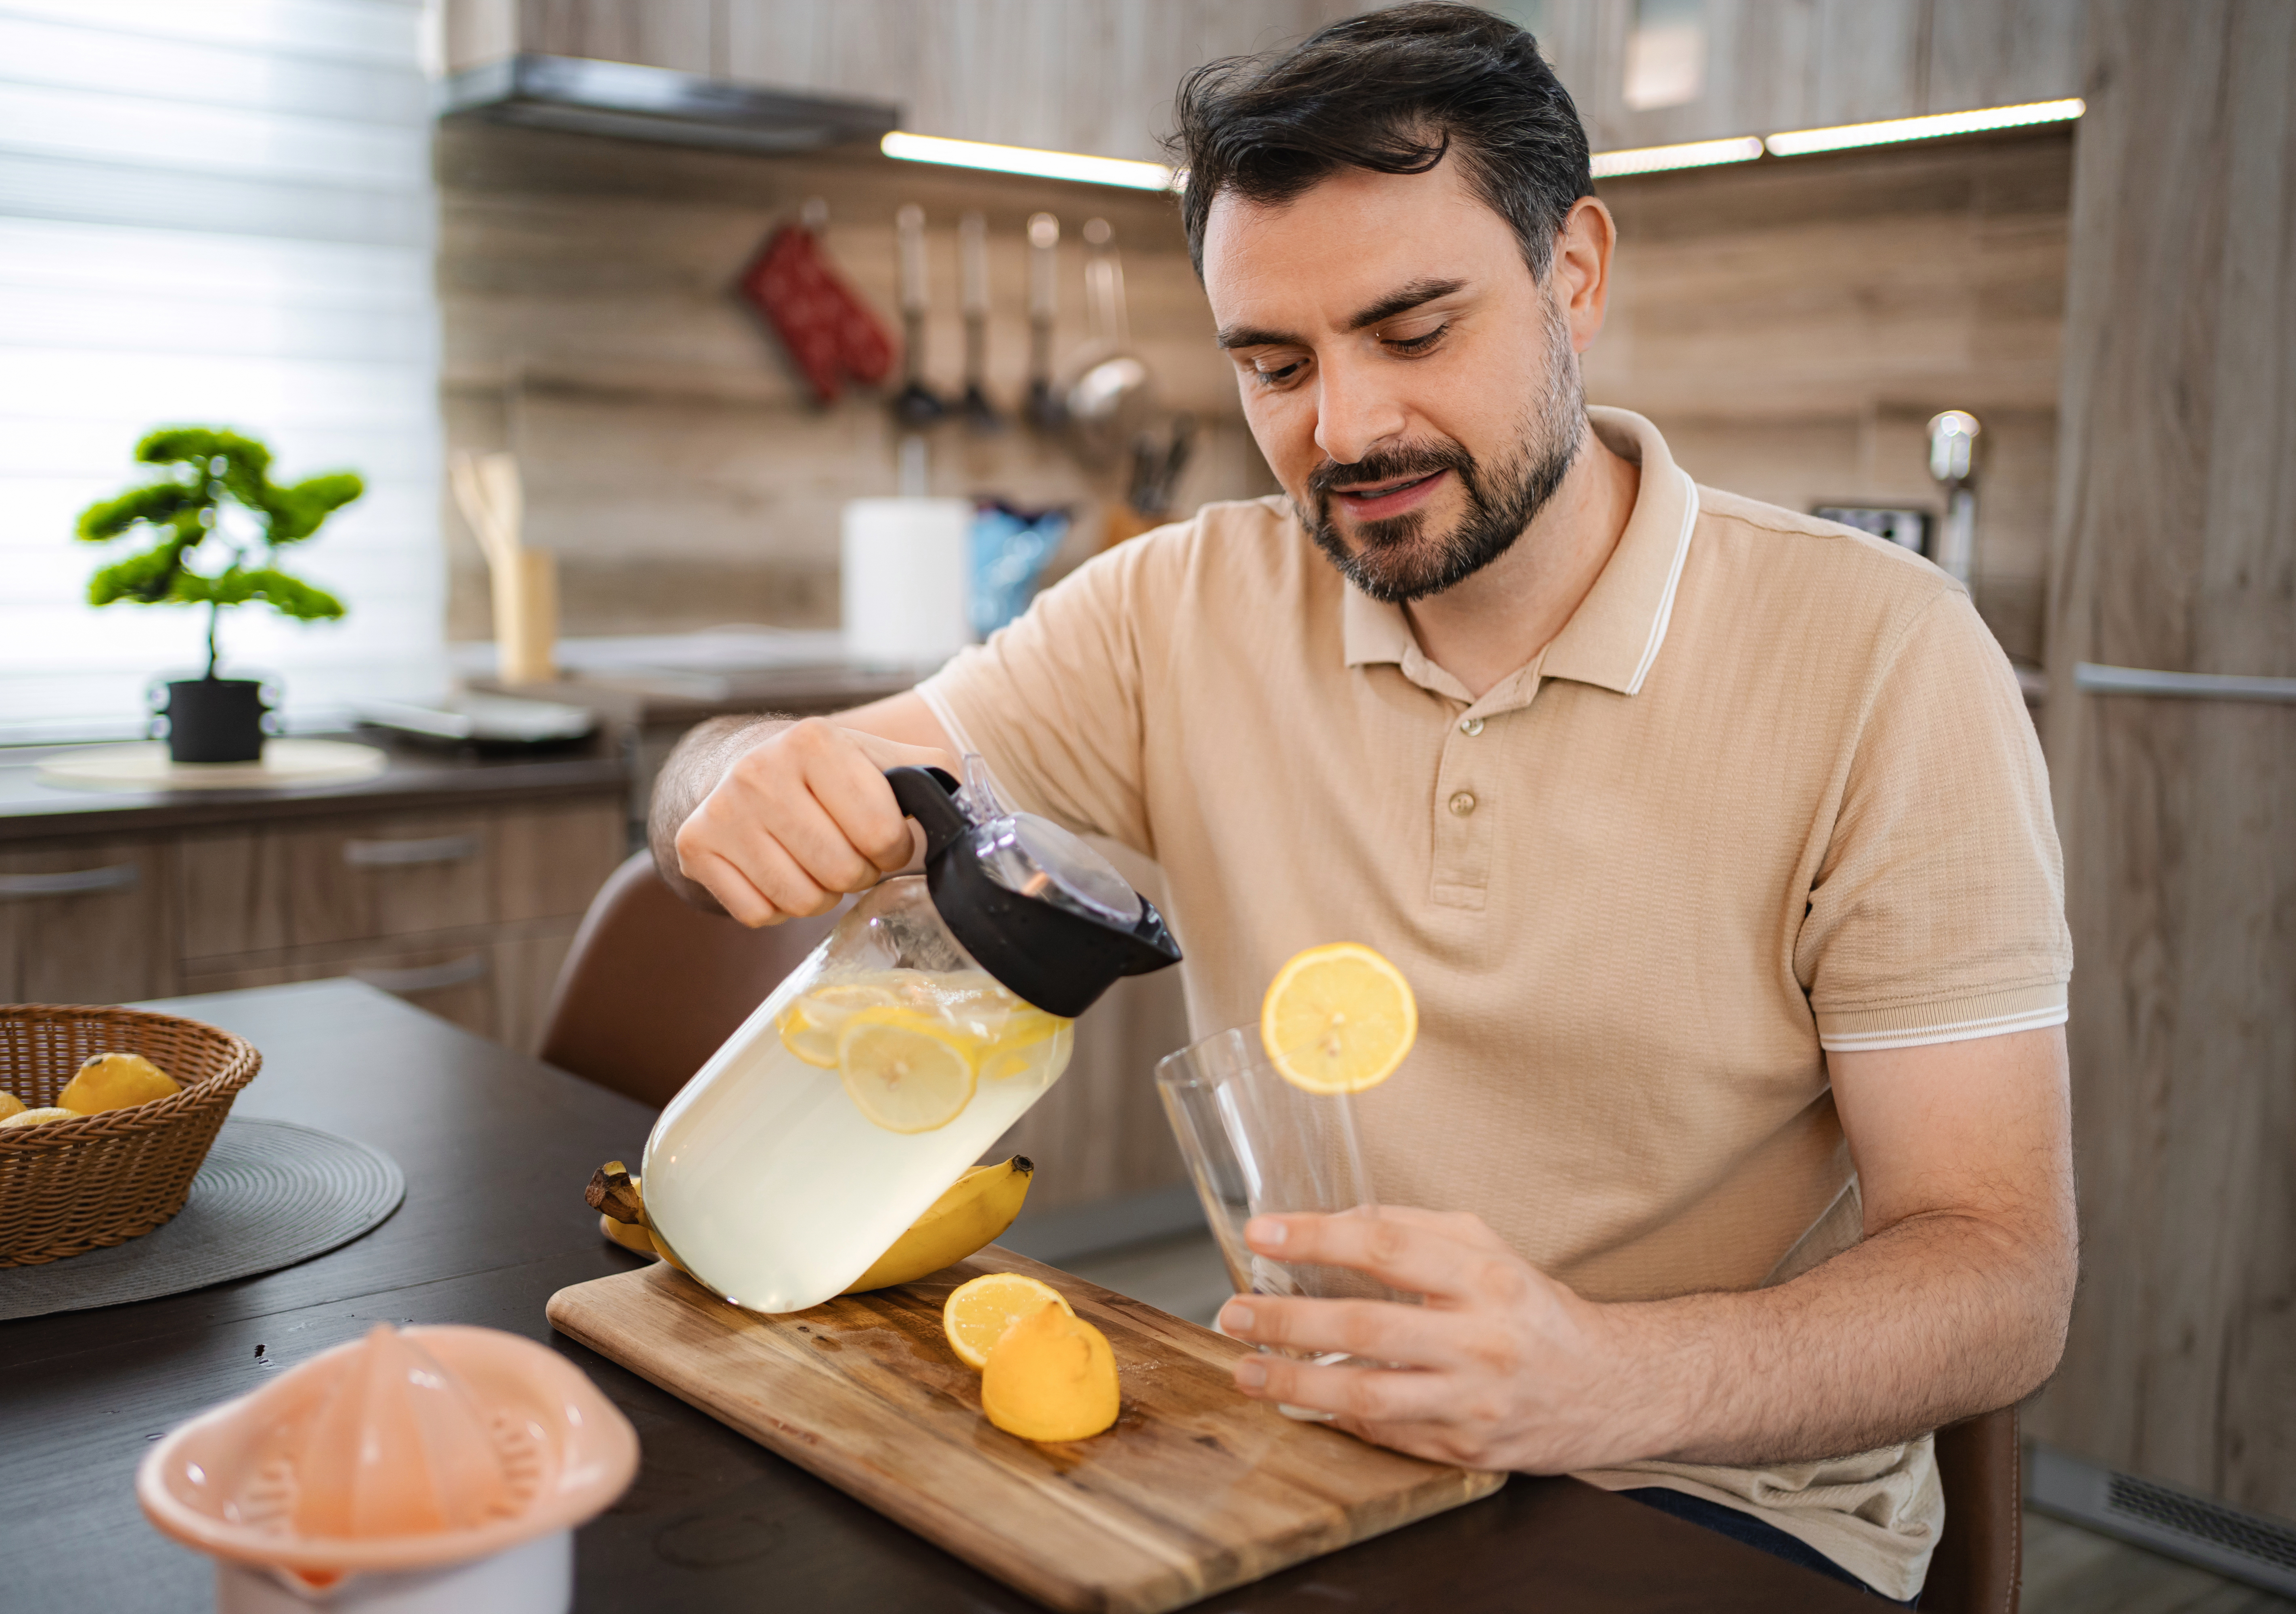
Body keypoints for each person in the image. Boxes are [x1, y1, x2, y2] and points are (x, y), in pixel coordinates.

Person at [647, 5, 2074, 1603]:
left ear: (1577, 273)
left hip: (1707, 1500)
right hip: (1298, 1448)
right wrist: (731, 785)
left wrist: (1596, 1375)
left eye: (1413, 333)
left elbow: (2000, 1272)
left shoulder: (1882, 655)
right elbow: (804, 766)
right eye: (1274, 363)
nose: (1346, 429)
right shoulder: (1178, 605)